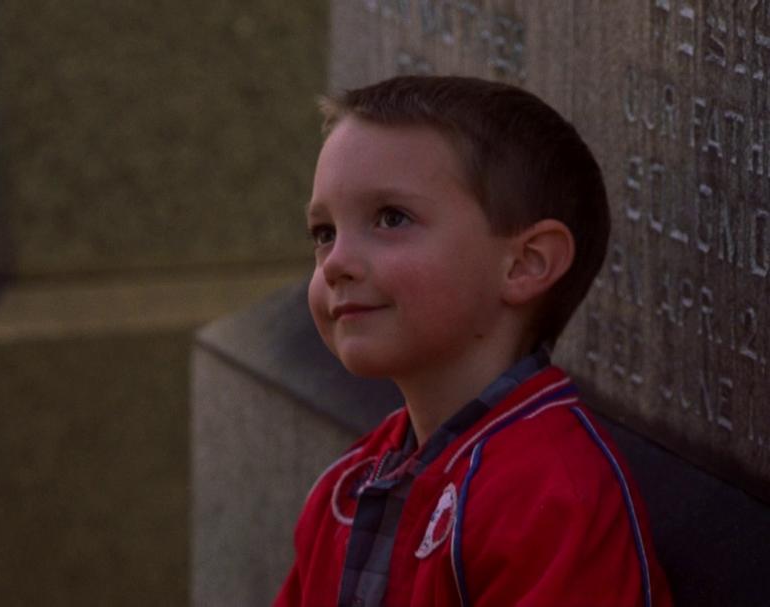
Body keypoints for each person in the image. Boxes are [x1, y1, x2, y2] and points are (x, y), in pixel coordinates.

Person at [275, 76, 672, 607]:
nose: (336, 263)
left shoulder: (552, 494)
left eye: (391, 218)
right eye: (324, 233)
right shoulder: (347, 484)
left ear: (525, 264)